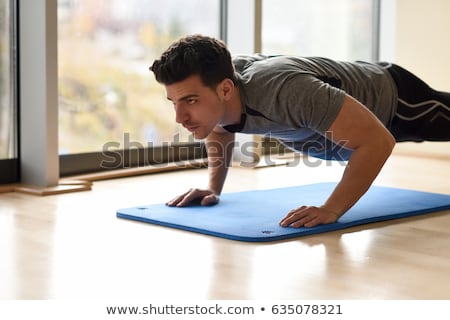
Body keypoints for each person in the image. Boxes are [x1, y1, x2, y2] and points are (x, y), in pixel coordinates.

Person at [150, 34, 450, 228]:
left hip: (396, 100)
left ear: (226, 89)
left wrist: (331, 209)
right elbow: (220, 125)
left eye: (190, 101)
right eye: (174, 102)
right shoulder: (220, 96)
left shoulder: (283, 91)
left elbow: (378, 142)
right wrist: (214, 188)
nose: (180, 117)